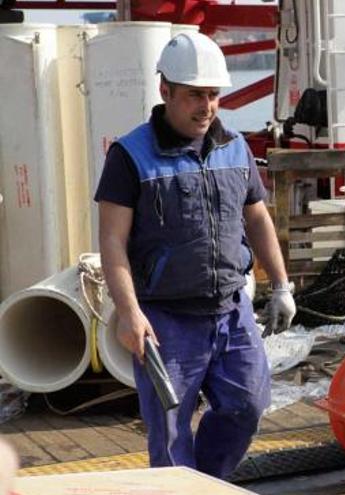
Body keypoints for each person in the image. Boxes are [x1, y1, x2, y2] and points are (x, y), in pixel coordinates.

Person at [96, 32, 297, 479]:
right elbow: (111, 240)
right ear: (165, 90)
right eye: (194, 96)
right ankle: (181, 486)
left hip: (230, 310)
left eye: (213, 95)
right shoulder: (130, 156)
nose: (206, 106)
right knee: (168, 433)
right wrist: (129, 313)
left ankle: (206, 483)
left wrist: (281, 285)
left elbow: (258, 218)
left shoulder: (235, 147)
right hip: (165, 321)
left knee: (248, 405)